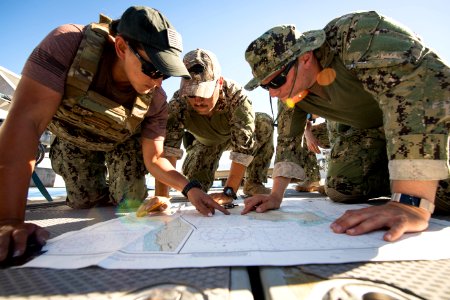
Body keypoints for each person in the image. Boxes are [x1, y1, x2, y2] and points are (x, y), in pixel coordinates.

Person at [0, 6, 229, 263]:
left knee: (129, 206)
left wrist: (190, 189)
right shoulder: (67, 45)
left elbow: (154, 159)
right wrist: (9, 220)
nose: (158, 82)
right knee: (85, 203)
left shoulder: (156, 99)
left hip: (121, 144)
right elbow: (26, 123)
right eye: (153, 70)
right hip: (72, 140)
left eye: (165, 74)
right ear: (121, 47)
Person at [241, 10, 449, 242]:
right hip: (372, 132)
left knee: (444, 197)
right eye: (265, 86)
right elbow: (288, 141)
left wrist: (410, 204)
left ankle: (414, 183)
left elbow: (421, 85)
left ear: (305, 58)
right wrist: (275, 196)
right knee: (342, 188)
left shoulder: (355, 35)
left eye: (277, 80)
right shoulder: (291, 93)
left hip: (430, 121)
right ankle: (397, 176)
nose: (273, 91)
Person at [155, 48, 274, 204]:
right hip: (205, 144)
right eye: (191, 94)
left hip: (233, 137)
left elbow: (243, 149)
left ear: (219, 82)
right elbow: (168, 150)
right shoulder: (178, 103)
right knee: (197, 188)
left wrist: (229, 192)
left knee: (264, 122)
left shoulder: (236, 96)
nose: (197, 100)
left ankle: (254, 182)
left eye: (204, 92)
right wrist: (162, 197)